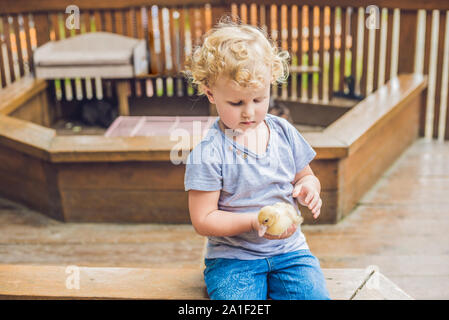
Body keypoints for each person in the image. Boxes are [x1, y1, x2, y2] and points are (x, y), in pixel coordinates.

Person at [183, 17, 330, 300]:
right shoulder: (209, 153)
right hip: (233, 260)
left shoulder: (283, 132)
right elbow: (203, 219)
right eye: (236, 103)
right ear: (211, 93)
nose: (249, 112)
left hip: (290, 253)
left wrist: (309, 189)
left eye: (259, 99)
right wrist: (254, 222)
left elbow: (305, 175)